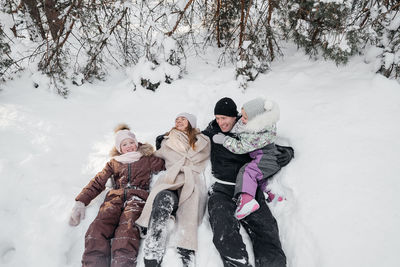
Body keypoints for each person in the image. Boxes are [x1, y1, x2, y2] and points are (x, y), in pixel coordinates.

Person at [202, 97, 294, 267]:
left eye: (225, 118)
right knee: (222, 226)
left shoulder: (248, 128)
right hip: (222, 189)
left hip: (249, 189)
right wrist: (163, 139)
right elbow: (188, 139)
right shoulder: (211, 133)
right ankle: (239, 263)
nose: (221, 122)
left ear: (234, 116)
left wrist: (287, 151)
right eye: (218, 118)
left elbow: (267, 144)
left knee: (266, 228)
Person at [69, 124, 165, 267]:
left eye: (131, 142)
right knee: (98, 227)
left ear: (137, 143)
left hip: (137, 198)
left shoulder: (147, 159)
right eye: (124, 144)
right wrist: (81, 201)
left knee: (127, 230)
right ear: (119, 149)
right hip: (114, 199)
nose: (129, 146)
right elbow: (97, 182)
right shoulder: (114, 163)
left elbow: (167, 164)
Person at [135, 112, 211, 267]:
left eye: (183, 118)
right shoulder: (167, 140)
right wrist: (144, 149)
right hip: (172, 180)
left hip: (191, 183)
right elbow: (154, 156)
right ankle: (153, 249)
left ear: (191, 123)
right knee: (162, 199)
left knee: (189, 210)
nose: (179, 120)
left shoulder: (204, 141)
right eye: (177, 119)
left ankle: (186, 250)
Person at [212, 97, 282, 219]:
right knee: (258, 178)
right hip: (263, 157)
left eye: (245, 117)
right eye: (242, 115)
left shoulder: (257, 131)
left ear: (256, 118)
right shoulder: (258, 125)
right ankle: (271, 194)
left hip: (265, 158)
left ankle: (246, 200)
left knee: (247, 172)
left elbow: (241, 147)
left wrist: (225, 140)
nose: (242, 119)